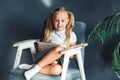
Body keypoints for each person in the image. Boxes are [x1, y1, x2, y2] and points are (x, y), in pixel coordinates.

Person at [24, 7, 77, 80]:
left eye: (62, 21)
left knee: (57, 70)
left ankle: (32, 68)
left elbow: (74, 54)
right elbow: (42, 47)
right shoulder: (50, 33)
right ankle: (36, 68)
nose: (59, 24)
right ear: (52, 21)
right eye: (57, 21)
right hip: (46, 58)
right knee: (58, 48)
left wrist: (65, 52)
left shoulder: (71, 34)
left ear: (67, 21)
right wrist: (40, 47)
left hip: (61, 61)